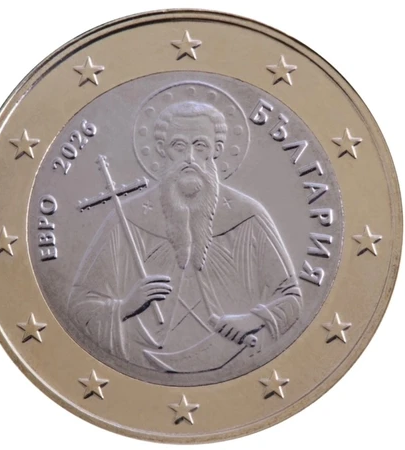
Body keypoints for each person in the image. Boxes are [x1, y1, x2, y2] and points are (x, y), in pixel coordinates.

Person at [68, 100, 302, 374]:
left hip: (233, 353)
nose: (190, 158)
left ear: (217, 150)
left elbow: (291, 298)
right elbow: (80, 307)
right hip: (144, 359)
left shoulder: (248, 215)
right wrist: (125, 306)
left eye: (200, 146)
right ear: (162, 150)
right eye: (179, 146)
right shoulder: (127, 219)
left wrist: (253, 319)